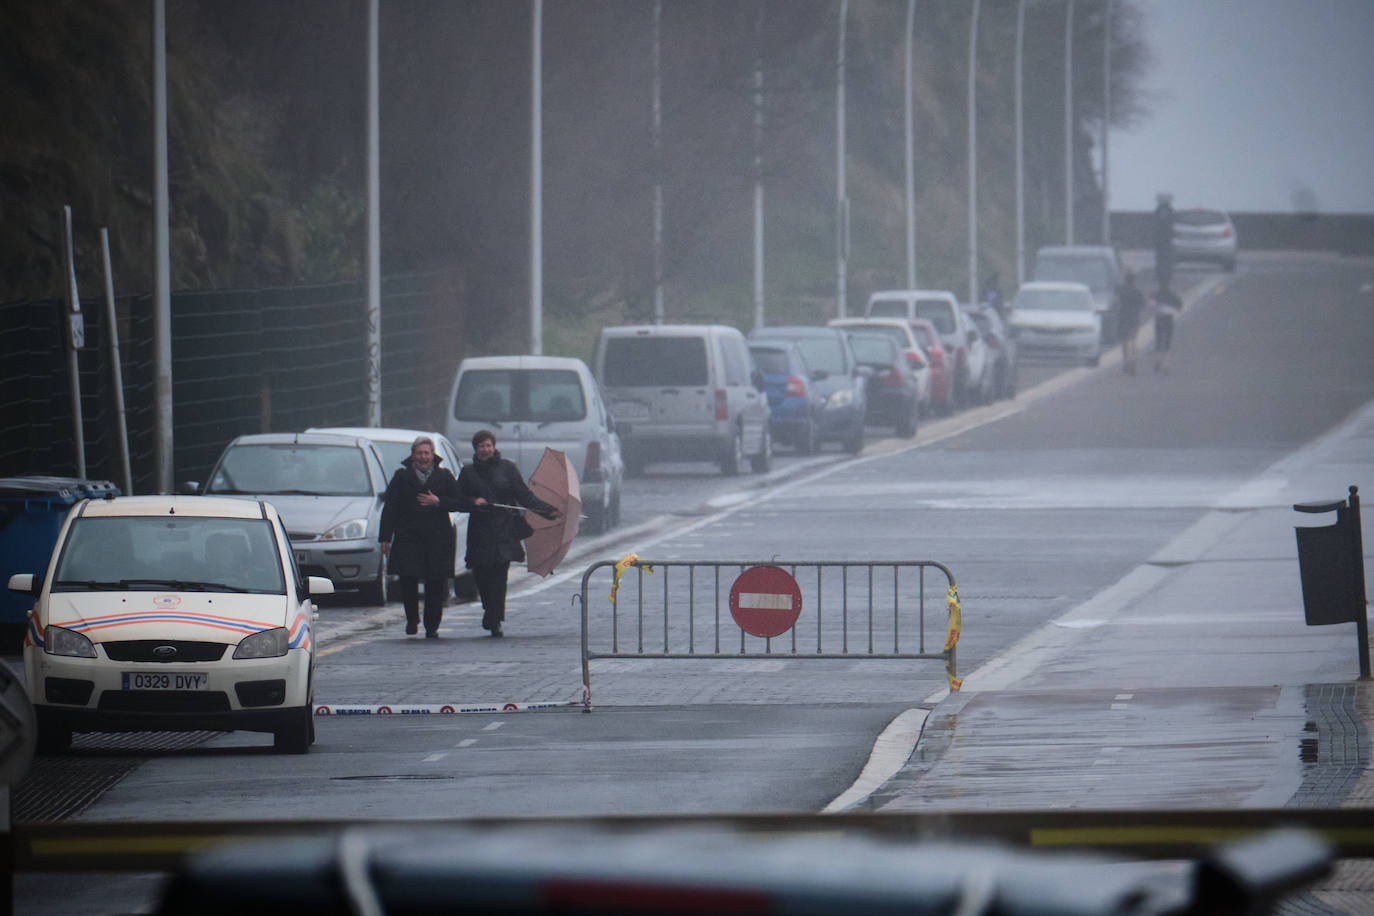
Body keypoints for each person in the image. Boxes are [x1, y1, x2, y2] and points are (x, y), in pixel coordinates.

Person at [455, 429, 560, 637]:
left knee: (499, 576)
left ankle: (495, 619)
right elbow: (458, 499)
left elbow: (525, 496)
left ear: (494, 447)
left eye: (488, 445)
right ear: (475, 449)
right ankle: (490, 610)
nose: (485, 450)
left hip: (504, 529)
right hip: (480, 531)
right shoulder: (468, 472)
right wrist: (472, 502)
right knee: (482, 576)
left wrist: (548, 510)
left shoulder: (508, 468)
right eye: (481, 446)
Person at [379, 436, 462, 638]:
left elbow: (459, 501)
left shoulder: (444, 476)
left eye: (426, 453)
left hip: (438, 539)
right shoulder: (401, 477)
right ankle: (412, 619)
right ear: (413, 455)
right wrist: (385, 537)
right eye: (419, 453)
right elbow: (390, 508)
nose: (423, 457)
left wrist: (438, 501)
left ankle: (432, 625)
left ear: (433, 456)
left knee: (435, 583)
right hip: (409, 537)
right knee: (408, 580)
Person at [1117, 268, 1146, 375]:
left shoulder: (1121, 290)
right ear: (1134, 280)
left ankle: (1126, 362)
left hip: (1123, 318)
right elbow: (1143, 305)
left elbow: (1116, 303)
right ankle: (1133, 362)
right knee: (1133, 341)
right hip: (1134, 319)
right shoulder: (1138, 292)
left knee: (1125, 342)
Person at [1151, 285, 1182, 375]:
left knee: (1158, 342)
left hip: (1159, 321)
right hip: (1169, 321)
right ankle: (1166, 365)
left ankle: (1158, 361)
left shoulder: (1156, 294)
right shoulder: (1172, 295)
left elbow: (1151, 304)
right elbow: (1179, 305)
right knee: (1167, 343)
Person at [1153, 192, 1175, 292]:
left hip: (1162, 241)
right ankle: (1164, 279)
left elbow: (1159, 226)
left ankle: (1163, 279)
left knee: (1163, 261)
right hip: (1164, 242)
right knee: (1164, 261)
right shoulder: (1168, 211)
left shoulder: (1160, 211)